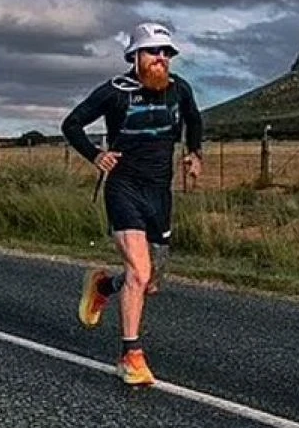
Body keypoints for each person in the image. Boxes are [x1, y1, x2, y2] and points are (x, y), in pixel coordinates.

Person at [61, 21, 203, 385]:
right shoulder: (115, 91)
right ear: (135, 56)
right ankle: (131, 357)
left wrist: (194, 153)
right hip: (124, 189)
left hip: (160, 193)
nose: (162, 59)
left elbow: (194, 120)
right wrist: (95, 155)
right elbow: (72, 123)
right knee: (139, 272)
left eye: (166, 53)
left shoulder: (179, 90)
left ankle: (104, 286)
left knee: (151, 281)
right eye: (154, 52)